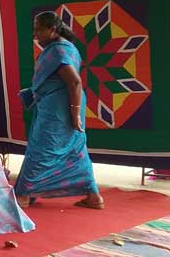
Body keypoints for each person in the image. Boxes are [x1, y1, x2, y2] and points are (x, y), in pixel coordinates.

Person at [15, 11, 104, 210]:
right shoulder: (66, 48)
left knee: (41, 150)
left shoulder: (59, 51)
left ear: (53, 30)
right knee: (75, 150)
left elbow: (74, 82)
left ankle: (23, 194)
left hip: (59, 111)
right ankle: (93, 196)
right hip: (63, 106)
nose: (35, 35)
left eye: (39, 30)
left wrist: (74, 114)